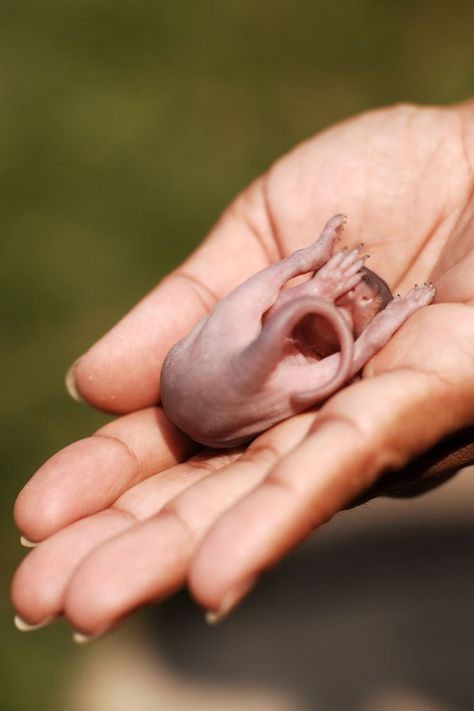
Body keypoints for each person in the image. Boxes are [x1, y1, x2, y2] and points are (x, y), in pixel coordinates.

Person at [11, 99, 474, 642]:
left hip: (192, 388)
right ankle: (315, 260)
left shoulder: (317, 357)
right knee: (290, 333)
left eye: (359, 301)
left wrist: (369, 302)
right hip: (203, 389)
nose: (353, 293)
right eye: (352, 289)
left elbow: (336, 336)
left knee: (277, 320)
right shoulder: (320, 360)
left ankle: (313, 259)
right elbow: (342, 339)